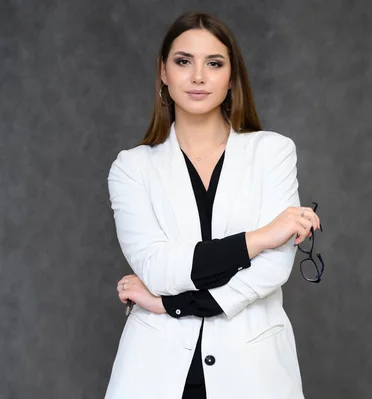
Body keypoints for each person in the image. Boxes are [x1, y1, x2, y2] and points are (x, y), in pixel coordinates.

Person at [104, 11, 321, 399]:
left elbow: (273, 268)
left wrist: (166, 303)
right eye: (183, 61)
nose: (198, 77)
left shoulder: (272, 152)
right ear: (163, 72)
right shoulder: (131, 167)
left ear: (231, 76)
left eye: (214, 63)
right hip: (154, 373)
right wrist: (261, 237)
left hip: (255, 373)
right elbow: (157, 267)